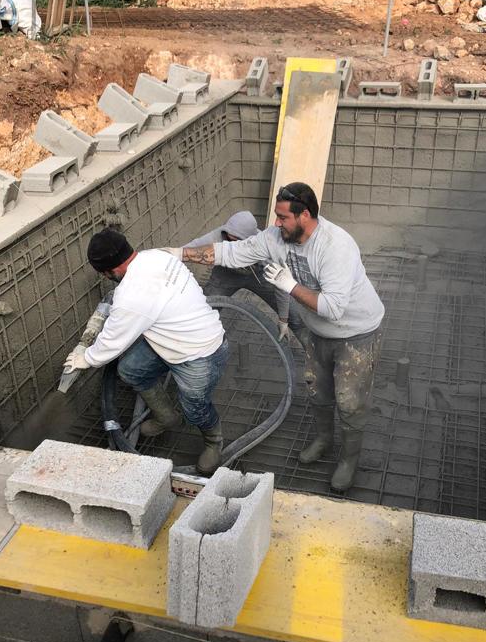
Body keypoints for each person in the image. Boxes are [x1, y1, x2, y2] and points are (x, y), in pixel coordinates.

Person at [171, 182, 385, 493]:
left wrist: (290, 286)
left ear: (305, 215)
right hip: (318, 333)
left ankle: (349, 459)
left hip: (357, 333)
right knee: (317, 391)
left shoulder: (335, 246)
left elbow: (333, 308)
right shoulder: (276, 237)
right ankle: (324, 439)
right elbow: (233, 251)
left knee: (349, 402)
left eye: (283, 217)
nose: (275, 223)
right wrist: (181, 253)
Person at [64, 228, 228, 476]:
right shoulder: (156, 256)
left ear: (109, 271)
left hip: (200, 353)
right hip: (168, 340)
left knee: (194, 407)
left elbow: (111, 342)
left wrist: (85, 358)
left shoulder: (131, 296)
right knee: (131, 369)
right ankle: (166, 417)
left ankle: (213, 441)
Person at [186, 210, 292, 341]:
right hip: (226, 274)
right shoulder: (220, 235)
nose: (231, 241)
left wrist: (283, 320)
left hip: (258, 275)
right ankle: (197, 339)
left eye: (236, 240)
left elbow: (281, 286)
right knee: (205, 309)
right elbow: (191, 248)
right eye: (229, 237)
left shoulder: (266, 251)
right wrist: (167, 256)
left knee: (293, 314)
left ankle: (308, 346)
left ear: (249, 240)